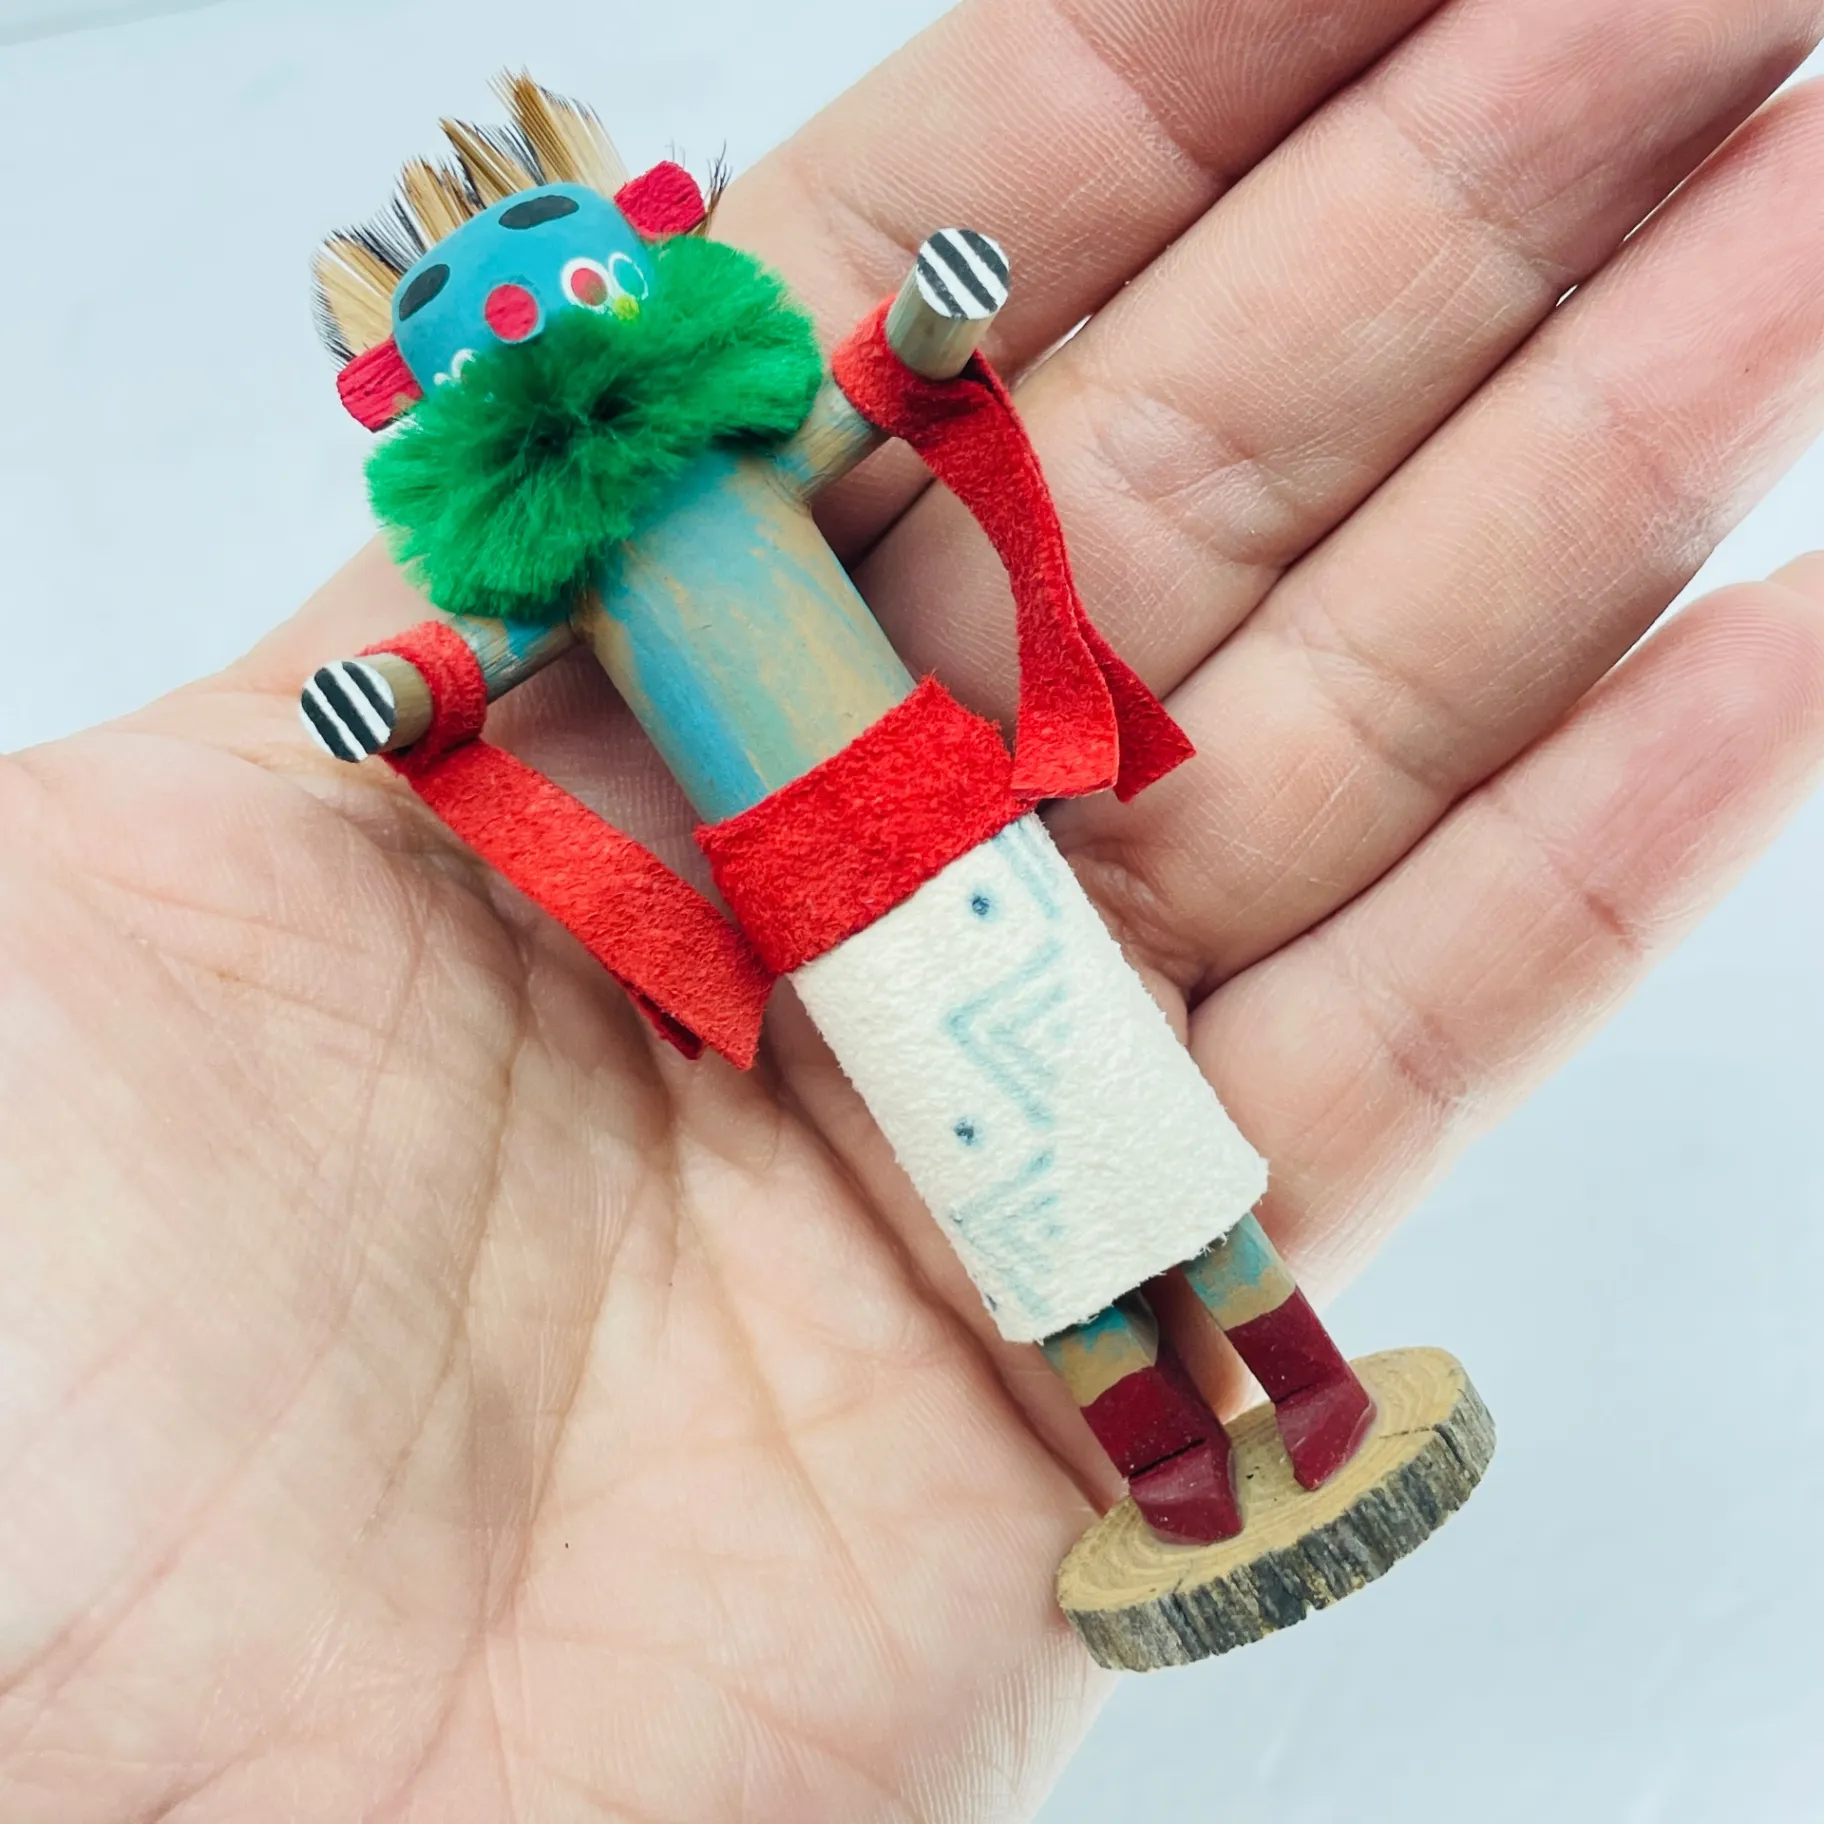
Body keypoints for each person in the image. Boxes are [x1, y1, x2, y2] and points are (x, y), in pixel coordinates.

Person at [4, 0, 1824, 1815]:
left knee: (1116, 1104)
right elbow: (464, 668)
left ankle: (1304, 1378)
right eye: (490, 332)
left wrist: (941, 314)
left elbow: (877, 391)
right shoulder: (568, 568)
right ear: (430, 401)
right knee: (1007, 1183)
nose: (537, 338)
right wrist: (388, 698)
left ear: (642, 255)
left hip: (948, 823)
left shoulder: (737, 456)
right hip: (820, 903)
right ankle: (1159, 1457)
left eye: (550, 288)